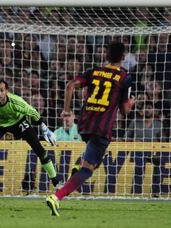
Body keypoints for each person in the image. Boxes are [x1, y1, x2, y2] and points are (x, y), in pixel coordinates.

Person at [46, 42, 134, 216]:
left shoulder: (93, 72)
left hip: (85, 125)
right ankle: (57, 197)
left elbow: (70, 85)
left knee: (94, 160)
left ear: (106, 56)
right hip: (102, 128)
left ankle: (78, 167)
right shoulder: (125, 77)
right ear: (123, 57)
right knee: (87, 169)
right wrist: (131, 103)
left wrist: (67, 110)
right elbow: (124, 111)